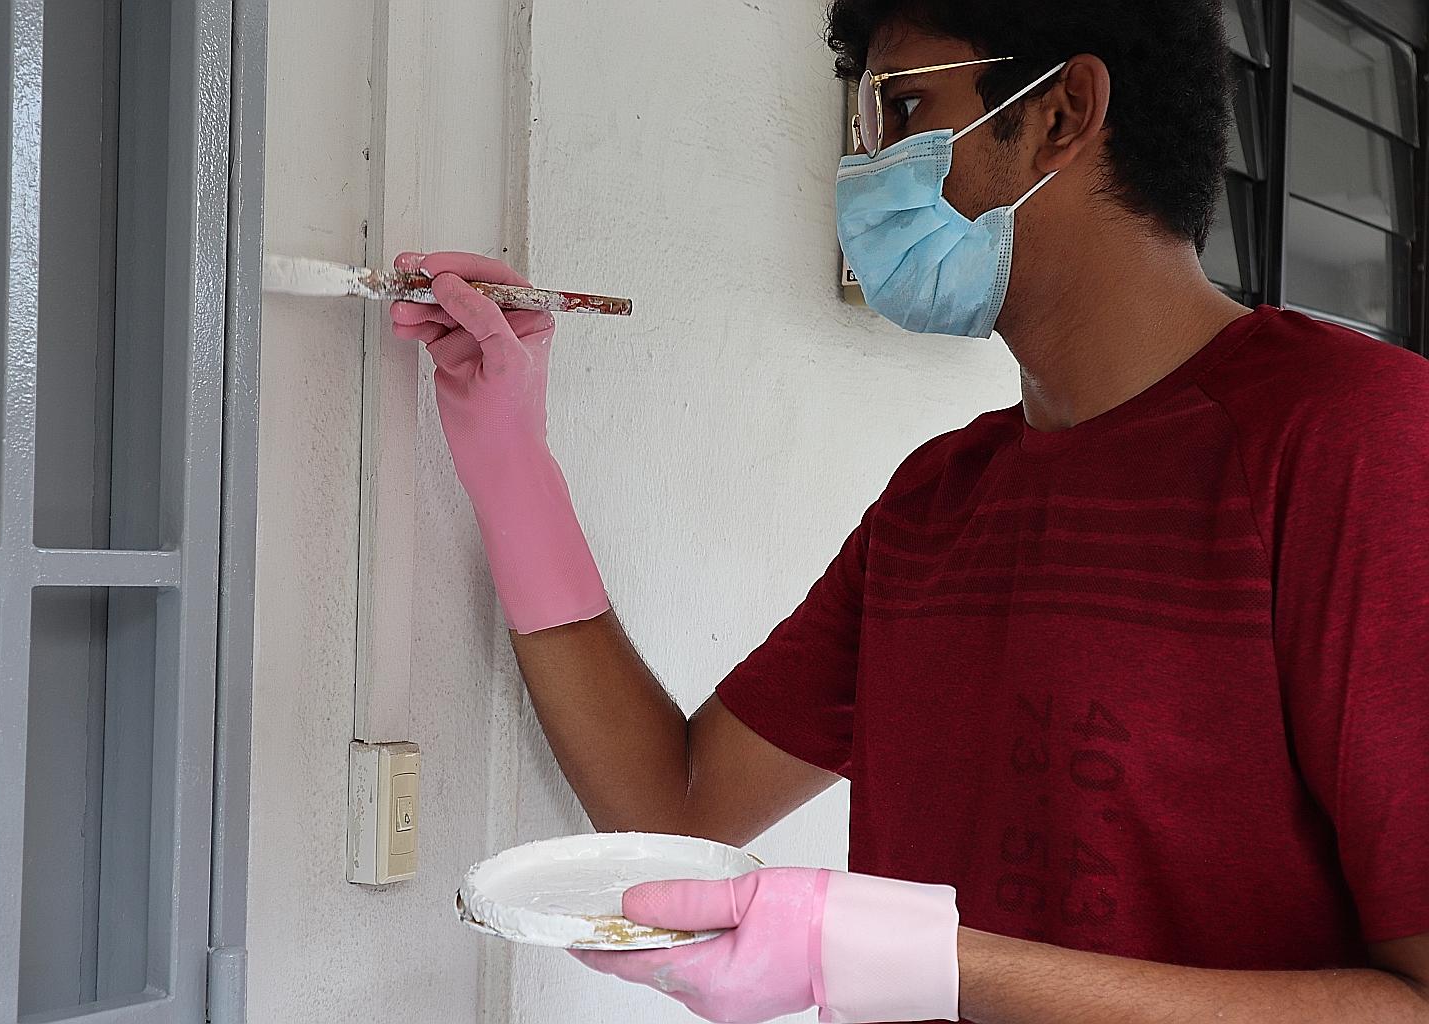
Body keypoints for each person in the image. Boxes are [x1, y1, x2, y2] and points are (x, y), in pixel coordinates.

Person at [390, 0, 1429, 1020]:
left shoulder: (1353, 442)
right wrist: (512, 464)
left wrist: (929, 963)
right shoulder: (938, 504)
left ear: (1063, 114)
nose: (862, 170)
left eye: (903, 111)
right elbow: (677, 800)